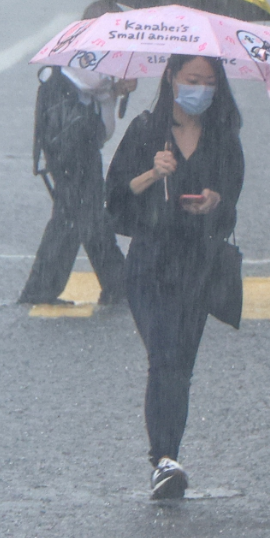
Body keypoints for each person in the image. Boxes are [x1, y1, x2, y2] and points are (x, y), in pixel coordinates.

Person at [106, 54, 244, 500]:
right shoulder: (147, 130)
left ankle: (170, 454)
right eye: (192, 79)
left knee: (180, 367)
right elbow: (114, 201)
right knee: (163, 355)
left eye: (209, 82)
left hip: (198, 265)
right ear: (171, 78)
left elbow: (232, 200)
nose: (200, 89)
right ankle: (163, 459)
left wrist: (214, 201)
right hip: (150, 263)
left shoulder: (223, 138)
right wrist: (152, 174)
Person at [18, 0, 136, 306]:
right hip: (73, 145)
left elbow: (95, 88)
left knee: (77, 216)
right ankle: (115, 286)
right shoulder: (82, 47)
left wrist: (117, 85)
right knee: (85, 216)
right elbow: (91, 79)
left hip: (74, 143)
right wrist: (118, 78)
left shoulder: (93, 48)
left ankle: (47, 289)